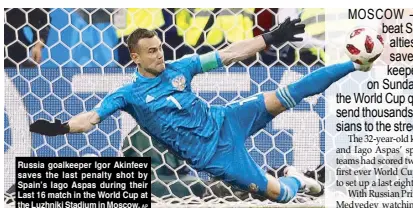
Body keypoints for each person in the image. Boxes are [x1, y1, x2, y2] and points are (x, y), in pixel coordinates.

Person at [30, 17, 373, 202]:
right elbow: (90, 119)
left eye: (160, 48)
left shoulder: (181, 67)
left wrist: (271, 37)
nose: (159, 55)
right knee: (278, 195)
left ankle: (353, 64)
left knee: (289, 93)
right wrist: (61, 129)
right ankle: (297, 179)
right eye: (151, 52)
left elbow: (228, 54)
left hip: (226, 119)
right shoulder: (127, 95)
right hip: (215, 158)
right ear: (135, 57)